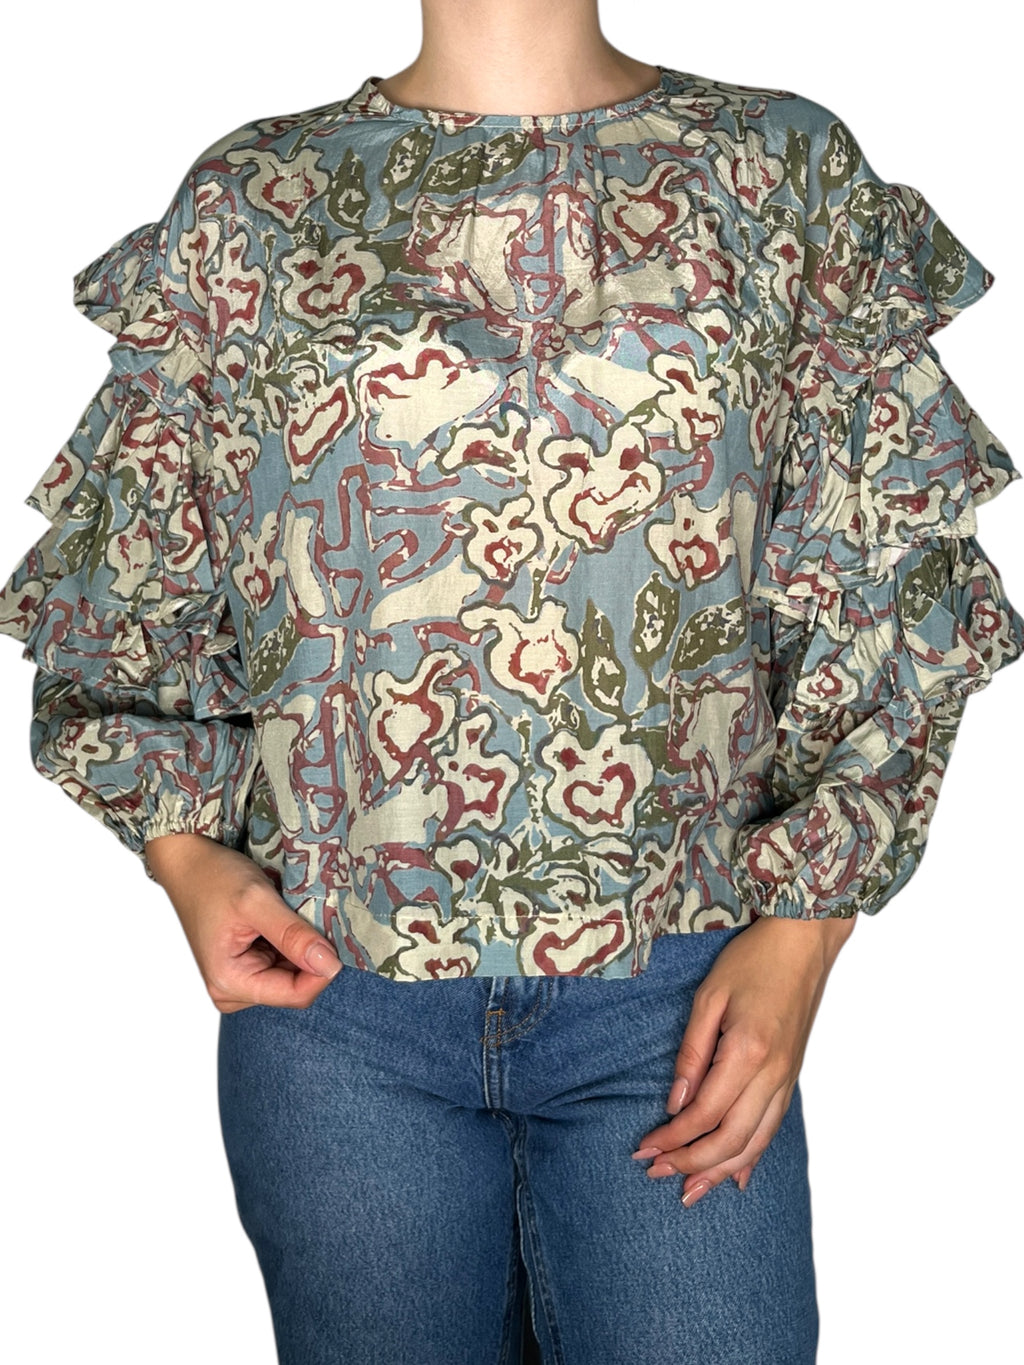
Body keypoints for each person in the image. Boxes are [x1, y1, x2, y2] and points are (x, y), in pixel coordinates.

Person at [1, 2, 1021, 1361]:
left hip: (679, 983)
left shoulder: (778, 168)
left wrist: (807, 930)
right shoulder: (254, 198)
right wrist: (187, 860)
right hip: (338, 1000)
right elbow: (136, 584)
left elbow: (886, 587)